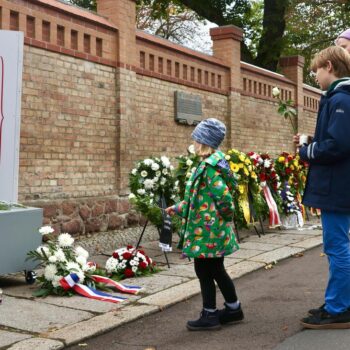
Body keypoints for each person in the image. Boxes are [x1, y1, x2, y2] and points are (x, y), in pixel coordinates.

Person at [166, 118, 243, 331]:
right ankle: (233, 308)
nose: (193, 142)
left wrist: (222, 221)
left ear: (204, 141)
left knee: (206, 270)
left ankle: (210, 314)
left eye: (196, 138)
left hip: (209, 232)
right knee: (216, 270)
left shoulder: (210, 168)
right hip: (208, 229)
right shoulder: (210, 164)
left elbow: (225, 199)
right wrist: (179, 207)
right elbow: (198, 198)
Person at [296, 46, 350, 329]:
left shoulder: (342, 98)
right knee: (339, 245)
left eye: (316, 70)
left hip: (338, 187)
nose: (315, 77)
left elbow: (338, 145)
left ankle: (339, 307)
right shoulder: (340, 98)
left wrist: (307, 151)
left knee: (337, 246)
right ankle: (338, 302)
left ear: (329, 66)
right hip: (340, 185)